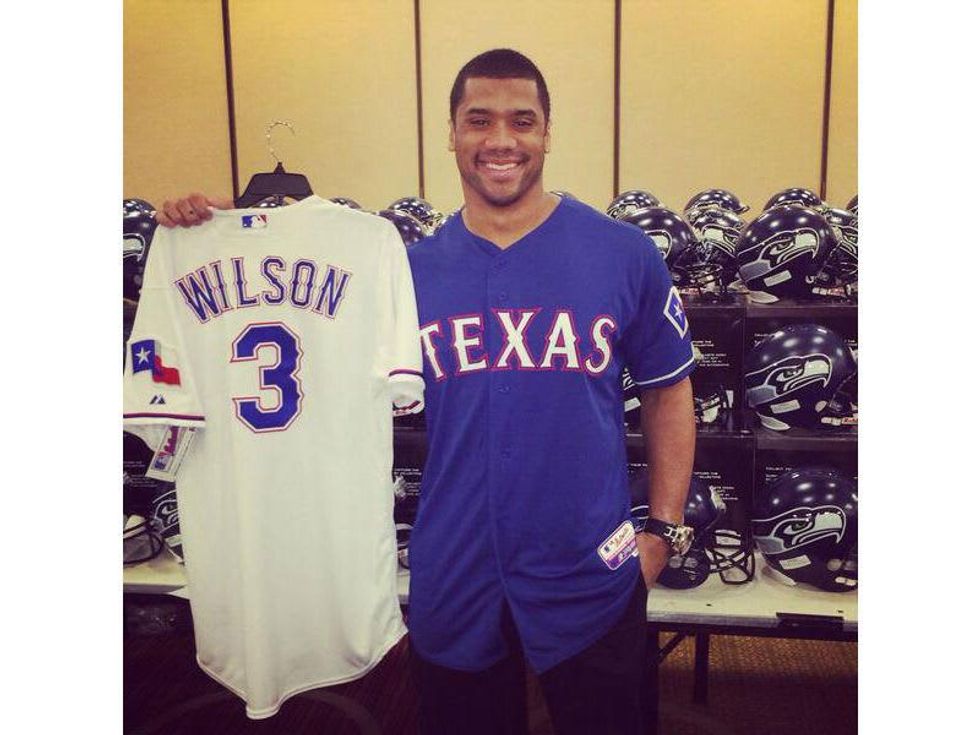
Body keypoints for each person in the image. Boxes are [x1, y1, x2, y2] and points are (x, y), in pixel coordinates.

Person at [155, 48, 695, 735]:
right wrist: (225, 234)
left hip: (590, 569)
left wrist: (662, 533)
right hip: (456, 570)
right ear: (451, 132)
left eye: (522, 121)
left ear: (548, 132)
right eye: (479, 120)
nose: (501, 140)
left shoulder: (622, 253)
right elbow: (293, 322)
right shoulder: (405, 272)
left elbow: (668, 391)